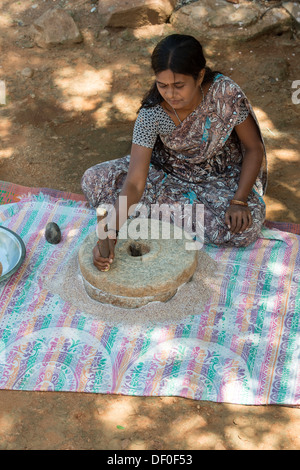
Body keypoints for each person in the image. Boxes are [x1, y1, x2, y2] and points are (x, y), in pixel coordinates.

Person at [81, 34, 267, 272]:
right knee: (93, 179)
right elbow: (136, 183)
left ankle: (147, 215)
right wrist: (110, 233)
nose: (170, 94)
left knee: (245, 227)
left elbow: (254, 148)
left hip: (219, 179)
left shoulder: (224, 94)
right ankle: (150, 214)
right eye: (162, 85)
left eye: (179, 85)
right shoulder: (152, 114)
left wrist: (239, 200)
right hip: (167, 173)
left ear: (199, 76)